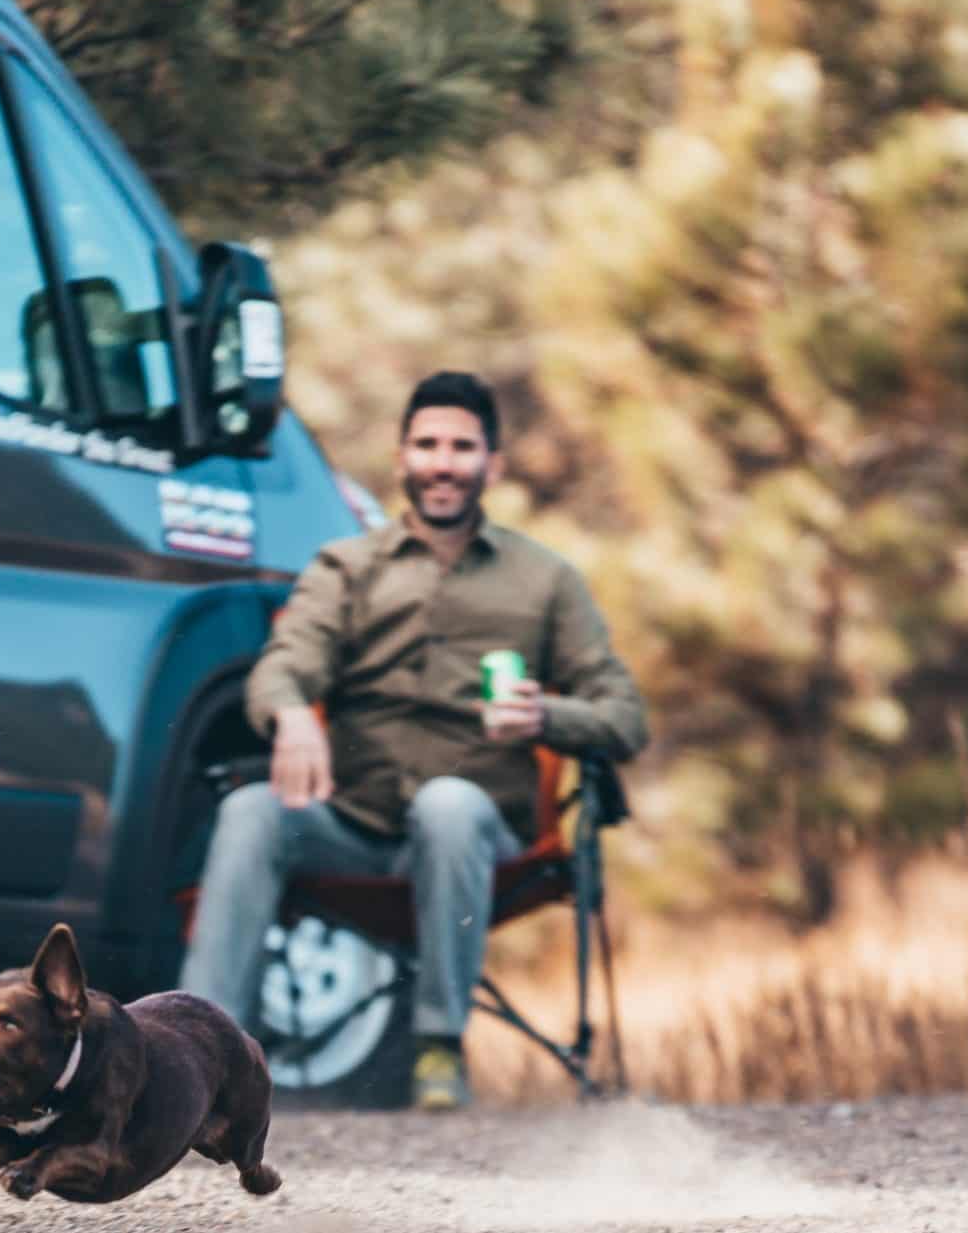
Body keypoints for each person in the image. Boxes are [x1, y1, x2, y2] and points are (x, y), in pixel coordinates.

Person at [180, 371, 648, 1109]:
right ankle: (198, 1054)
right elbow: (282, 667)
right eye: (427, 445)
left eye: (461, 447)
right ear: (401, 458)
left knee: (447, 805)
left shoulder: (546, 581)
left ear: (493, 464)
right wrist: (292, 713)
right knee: (251, 811)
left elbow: (624, 717)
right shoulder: (346, 569)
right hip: (354, 824)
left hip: (482, 836)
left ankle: (438, 1046)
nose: (442, 462)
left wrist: (545, 716)